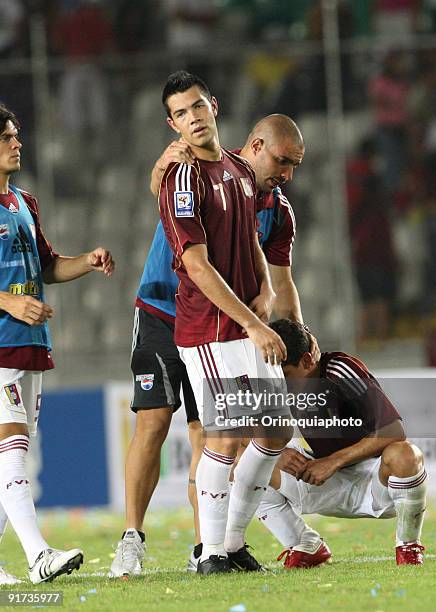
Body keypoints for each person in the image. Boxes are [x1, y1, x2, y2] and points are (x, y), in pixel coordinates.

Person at [109, 110, 311, 577]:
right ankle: (132, 537)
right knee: (154, 423)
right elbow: (167, 194)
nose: (287, 175)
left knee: (214, 434)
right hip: (164, 311)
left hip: (227, 326)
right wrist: (159, 168)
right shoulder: (199, 169)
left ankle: (209, 546)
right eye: (283, 161)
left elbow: (281, 281)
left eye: (294, 166)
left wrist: (295, 344)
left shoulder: (277, 210)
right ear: (255, 147)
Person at [159, 70, 295, 575]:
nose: (192, 118)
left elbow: (251, 243)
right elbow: (196, 265)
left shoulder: (238, 170)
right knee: (226, 433)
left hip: (243, 324)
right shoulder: (182, 178)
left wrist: (265, 288)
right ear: (171, 123)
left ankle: (233, 541)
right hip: (210, 329)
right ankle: (212, 552)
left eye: (197, 107)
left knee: (276, 428)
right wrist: (255, 324)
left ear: (213, 106)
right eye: (180, 113)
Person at [0, 103, 115, 584]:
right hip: (2, 344)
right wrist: (7, 302)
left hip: (30, 343)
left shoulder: (25, 202)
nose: (17, 142)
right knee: (13, 447)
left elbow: (48, 267)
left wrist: (85, 261)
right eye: (7, 136)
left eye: (16, 134)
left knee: (12, 454)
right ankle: (37, 555)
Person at [256, 319, 426, 567]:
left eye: (286, 375)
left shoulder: (340, 370)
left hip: (376, 480)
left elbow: (394, 431)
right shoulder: (273, 380)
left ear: (306, 360)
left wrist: (333, 461)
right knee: (242, 463)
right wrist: (277, 454)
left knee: (406, 455)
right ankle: (305, 546)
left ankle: (408, 546)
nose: (280, 383)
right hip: (322, 480)